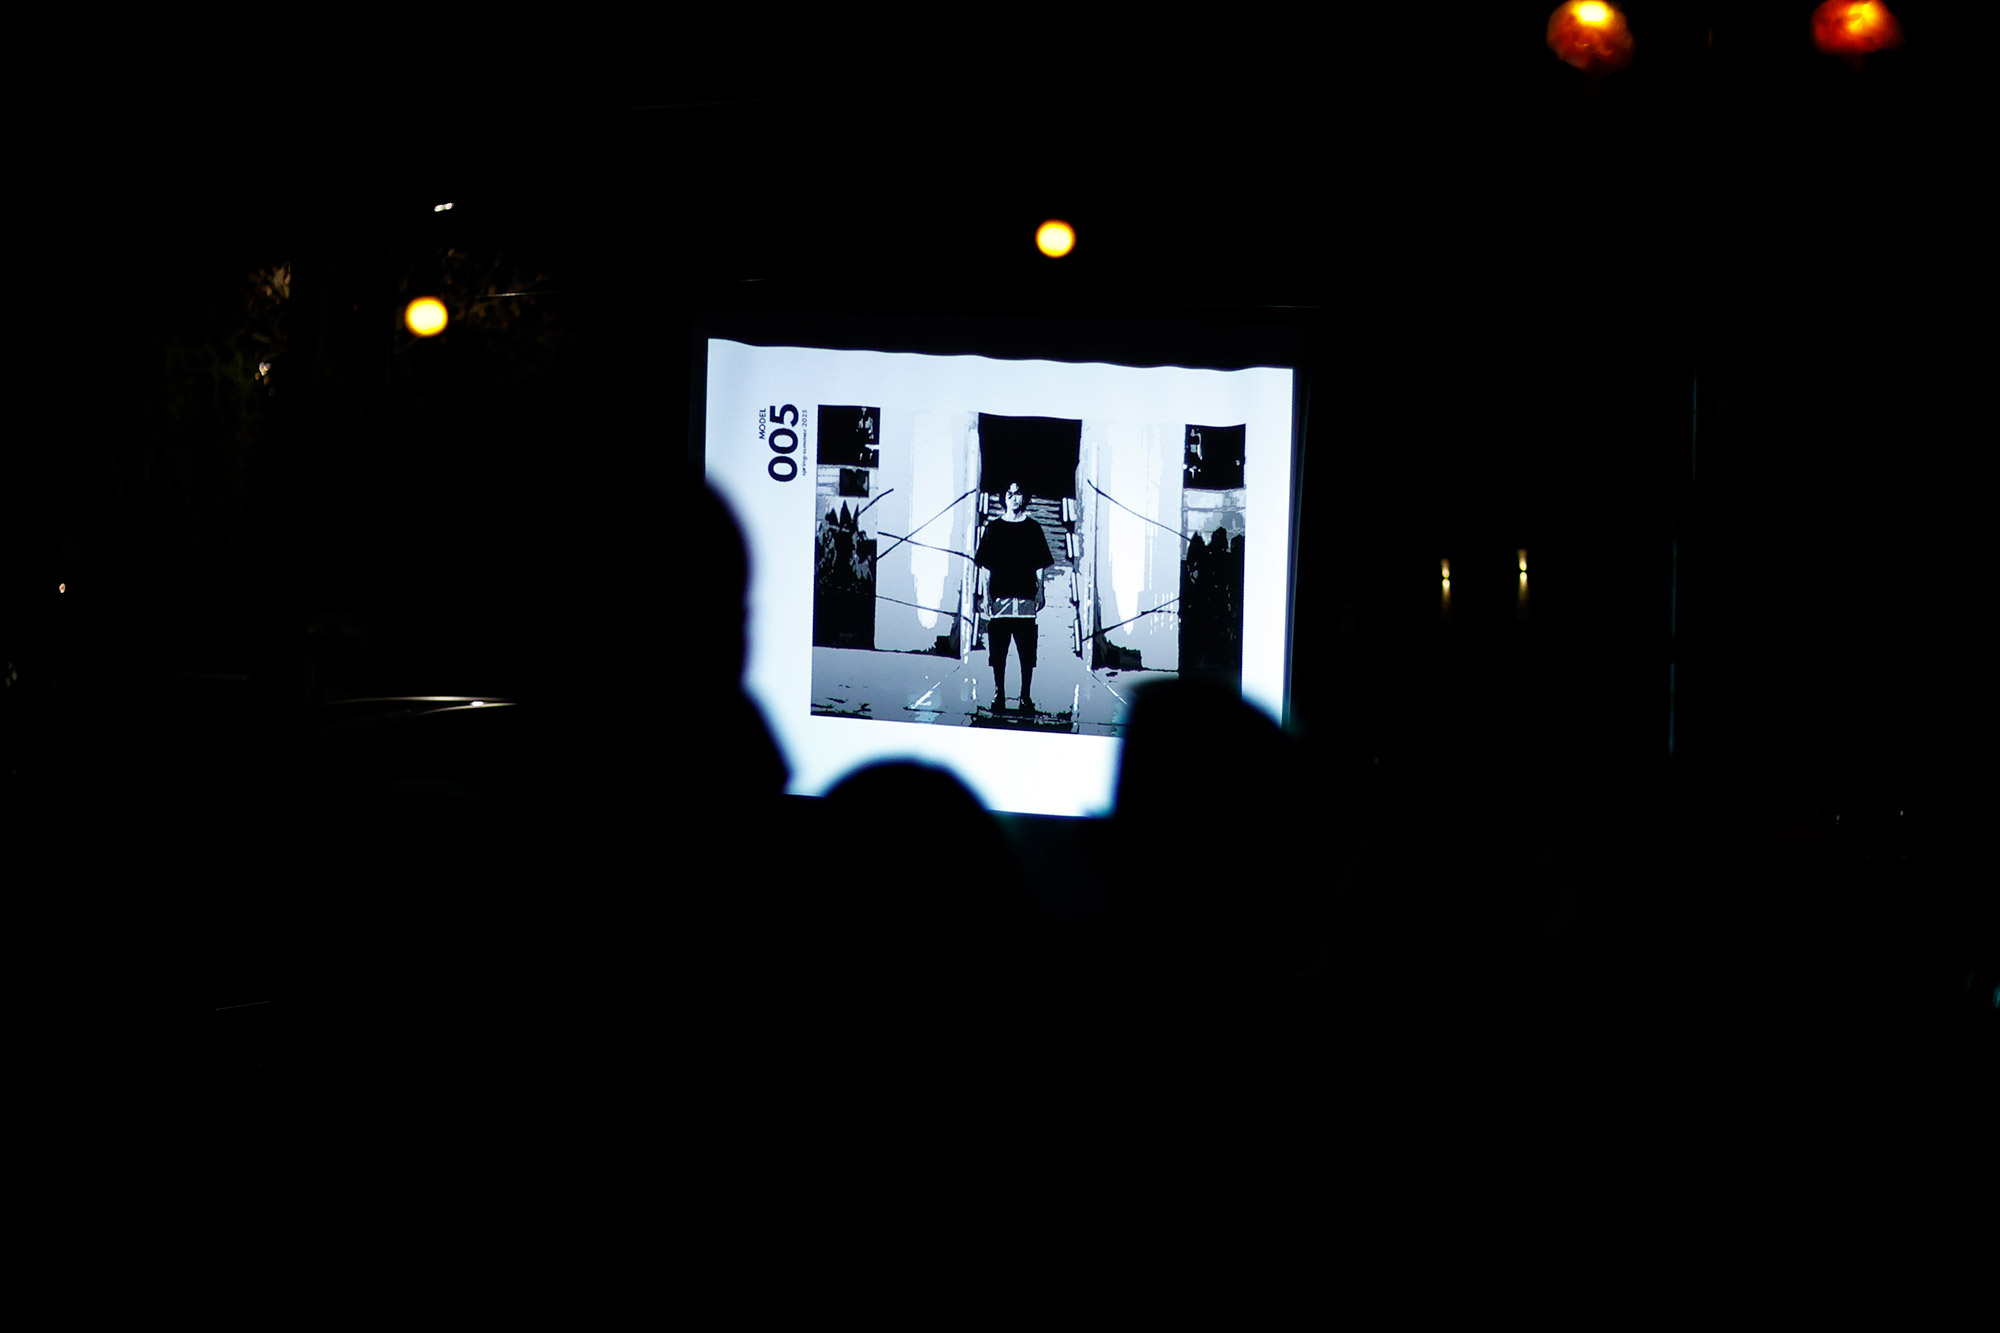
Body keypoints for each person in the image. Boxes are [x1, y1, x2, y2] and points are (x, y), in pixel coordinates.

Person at [973, 480, 1054, 713]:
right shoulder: (994, 528)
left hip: (1026, 598)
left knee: (1027, 653)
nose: (1013, 498)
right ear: (1003, 497)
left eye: (1017, 493)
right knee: (998, 651)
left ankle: (1025, 696)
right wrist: (986, 596)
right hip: (1000, 598)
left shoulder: (1033, 528)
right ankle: (999, 694)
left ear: (1024, 497)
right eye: (1009, 494)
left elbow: (1040, 564)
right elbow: (985, 566)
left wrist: (1040, 590)